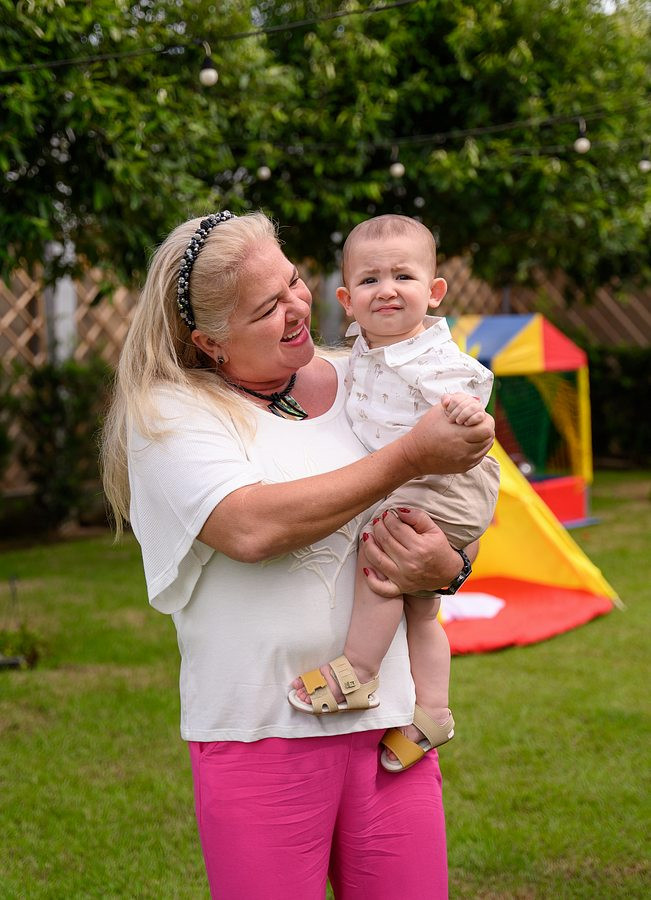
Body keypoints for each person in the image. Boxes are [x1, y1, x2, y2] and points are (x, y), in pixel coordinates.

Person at [101, 210, 495, 899]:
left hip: (389, 727)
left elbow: (452, 497)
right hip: (261, 731)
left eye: (291, 282)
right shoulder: (170, 411)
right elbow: (248, 527)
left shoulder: (366, 375)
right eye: (265, 308)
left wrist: (449, 567)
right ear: (209, 342)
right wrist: (409, 456)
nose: (295, 307)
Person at [289, 214, 500, 773]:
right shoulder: (361, 351)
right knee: (422, 611)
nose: (387, 289)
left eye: (403, 277)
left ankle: (358, 671)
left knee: (381, 562)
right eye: (370, 280)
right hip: (420, 481)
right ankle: (434, 714)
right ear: (347, 301)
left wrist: (466, 414)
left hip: (445, 481)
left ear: (433, 292)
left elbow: (470, 397)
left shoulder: (432, 356)